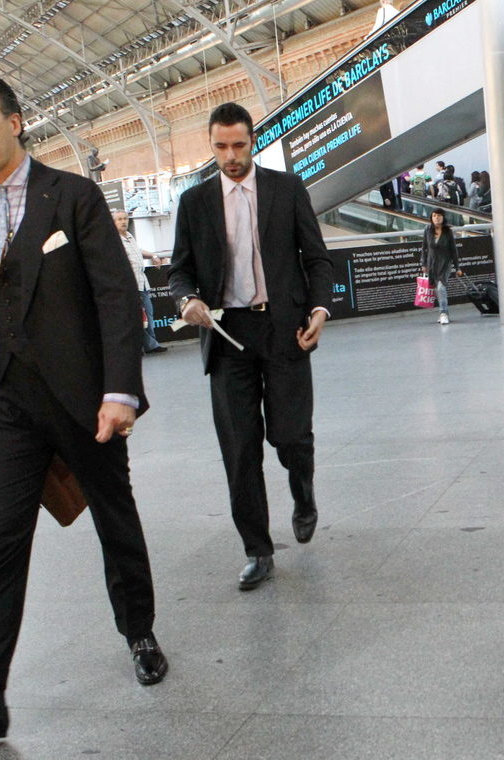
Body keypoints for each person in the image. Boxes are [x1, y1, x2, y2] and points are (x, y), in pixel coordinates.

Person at [0, 75, 168, 743]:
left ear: (15, 122)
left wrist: (120, 391)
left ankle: (139, 632)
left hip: (84, 400)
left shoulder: (72, 197)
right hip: (6, 406)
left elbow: (114, 298)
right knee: (2, 541)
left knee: (114, 516)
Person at [169, 102, 333, 591]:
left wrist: (320, 311)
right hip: (227, 338)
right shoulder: (194, 202)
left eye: (239, 144)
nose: (231, 155)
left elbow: (317, 259)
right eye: (221, 146)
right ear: (212, 145)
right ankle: (258, 550)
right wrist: (187, 299)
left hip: (284, 331)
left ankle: (302, 492)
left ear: (253, 140)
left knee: (290, 436)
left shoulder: (286, 189)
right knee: (240, 450)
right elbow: (179, 271)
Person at [113, 209, 167, 355]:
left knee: (148, 315)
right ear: (113, 222)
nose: (123, 221)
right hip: (130, 286)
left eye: (125, 218)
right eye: (119, 219)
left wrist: (153, 255)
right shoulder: (114, 241)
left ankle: (151, 345)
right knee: (137, 318)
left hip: (142, 283)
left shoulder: (129, 236)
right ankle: (148, 345)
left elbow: (138, 251)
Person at [420, 208, 462, 325]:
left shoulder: (448, 231)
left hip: (445, 263)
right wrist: (423, 264)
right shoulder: (427, 230)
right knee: (436, 289)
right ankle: (444, 312)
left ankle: (443, 313)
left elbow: (453, 250)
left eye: (438, 216)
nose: (436, 218)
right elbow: (424, 247)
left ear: (443, 217)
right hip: (432, 264)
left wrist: (457, 267)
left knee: (441, 288)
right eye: (434, 216)